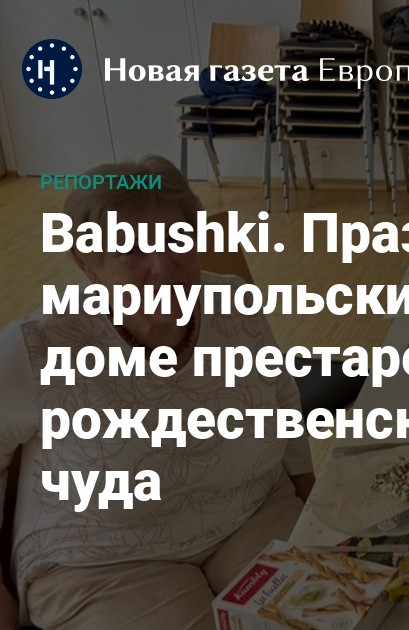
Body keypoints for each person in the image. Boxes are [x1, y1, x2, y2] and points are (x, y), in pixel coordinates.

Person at [0, 156, 315, 630]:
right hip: (104, 561)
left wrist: (313, 500)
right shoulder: (37, 345)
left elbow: (284, 400)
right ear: (87, 262)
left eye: (177, 239)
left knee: (327, 615)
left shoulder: (234, 303)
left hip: (252, 511)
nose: (163, 267)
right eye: (132, 250)